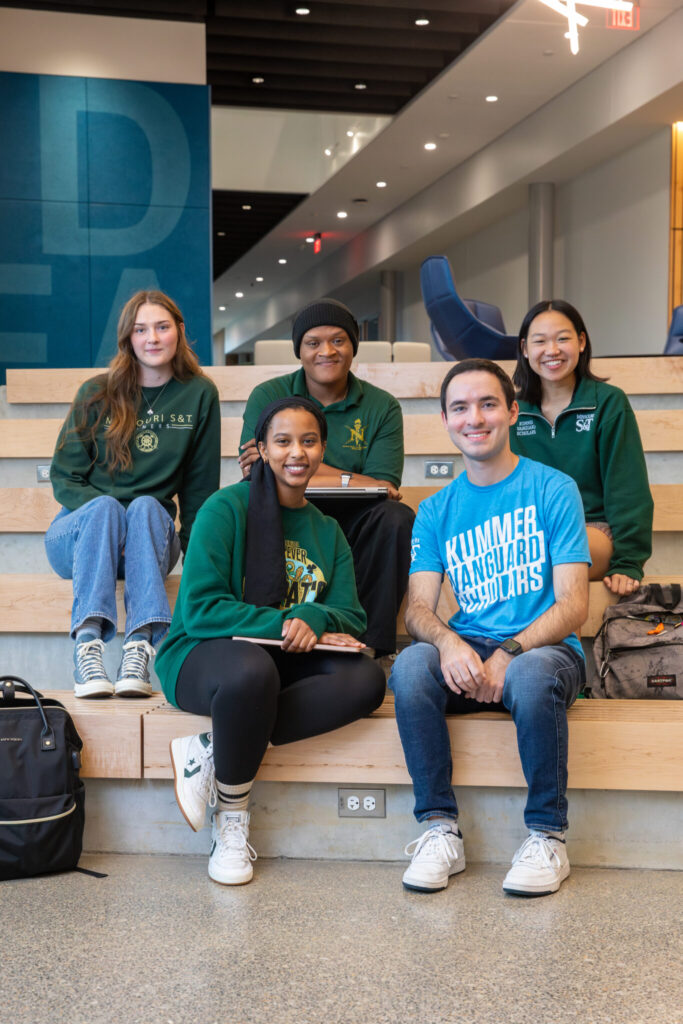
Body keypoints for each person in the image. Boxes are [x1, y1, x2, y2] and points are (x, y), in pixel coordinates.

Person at [155, 397, 386, 886]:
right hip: (202, 653)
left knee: (367, 679)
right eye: (282, 441)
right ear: (261, 449)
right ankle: (232, 817)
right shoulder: (225, 508)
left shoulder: (328, 531)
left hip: (284, 660)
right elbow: (200, 607)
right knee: (250, 671)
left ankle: (216, 744)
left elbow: (351, 616)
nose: (295, 452)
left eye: (308, 440)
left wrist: (312, 614)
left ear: (323, 448)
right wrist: (284, 624)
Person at [389, 358, 590, 897]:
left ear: (512, 411)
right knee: (410, 666)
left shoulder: (554, 489)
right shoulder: (434, 510)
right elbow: (417, 610)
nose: (473, 418)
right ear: (446, 420)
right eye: (460, 408)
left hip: (545, 651)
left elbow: (574, 606)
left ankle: (548, 836)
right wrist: (450, 641)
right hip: (470, 648)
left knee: (528, 675)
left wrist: (509, 651)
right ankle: (439, 829)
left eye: (487, 404)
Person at [45, 290, 220, 699]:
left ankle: (138, 645)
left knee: (145, 506)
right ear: (128, 338)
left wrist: (199, 561)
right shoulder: (97, 391)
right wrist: (108, 518)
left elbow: (199, 488)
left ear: (179, 331)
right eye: (141, 330)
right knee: (107, 507)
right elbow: (63, 475)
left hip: (149, 534)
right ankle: (88, 645)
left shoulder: (199, 394)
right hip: (80, 535)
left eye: (162, 327)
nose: (152, 338)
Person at [238, 298, 415, 657]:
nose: (327, 351)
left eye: (338, 340)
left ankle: (369, 649)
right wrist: (352, 477)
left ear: (353, 347)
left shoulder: (381, 406)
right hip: (286, 512)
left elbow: (383, 488)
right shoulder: (270, 394)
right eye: (313, 342)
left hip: (357, 519)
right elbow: (259, 467)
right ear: (299, 351)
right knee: (250, 506)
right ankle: (272, 640)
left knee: (396, 519)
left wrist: (295, 464)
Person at [511, 299, 653, 595]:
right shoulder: (512, 410)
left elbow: (628, 489)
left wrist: (627, 563)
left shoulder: (609, 402)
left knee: (545, 558)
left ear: (582, 342)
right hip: (527, 534)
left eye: (563, 338)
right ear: (525, 348)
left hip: (593, 529)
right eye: (540, 341)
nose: (552, 350)